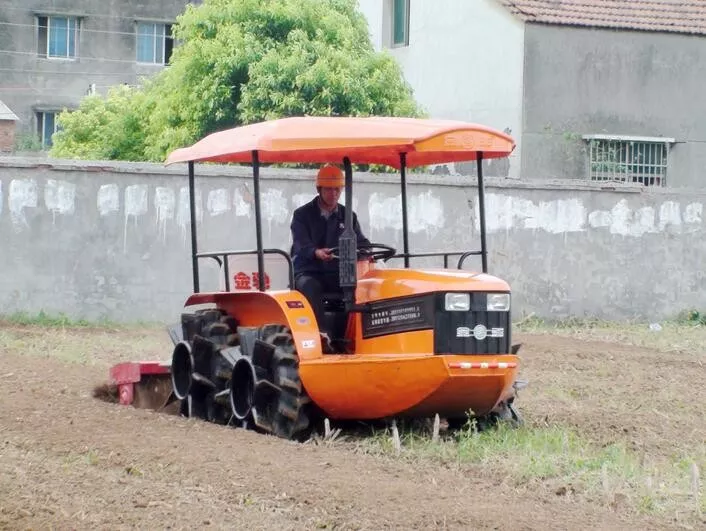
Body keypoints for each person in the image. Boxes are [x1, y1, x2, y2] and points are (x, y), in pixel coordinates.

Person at [290, 164, 370, 334]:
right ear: (319, 189)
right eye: (328, 189)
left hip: (338, 273)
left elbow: (360, 241)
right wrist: (316, 252)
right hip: (309, 271)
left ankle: (354, 335)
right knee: (311, 287)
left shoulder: (348, 215)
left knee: (362, 287)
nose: (333, 194)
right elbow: (300, 244)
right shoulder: (302, 215)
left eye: (337, 190)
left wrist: (367, 253)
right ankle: (321, 336)